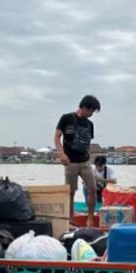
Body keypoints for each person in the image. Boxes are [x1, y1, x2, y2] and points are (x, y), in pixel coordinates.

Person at [55, 95, 101, 226]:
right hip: (70, 162)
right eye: (91, 111)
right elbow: (57, 137)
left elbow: (87, 144)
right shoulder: (66, 118)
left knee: (93, 188)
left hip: (85, 162)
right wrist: (61, 154)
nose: (91, 114)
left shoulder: (89, 124)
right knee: (71, 192)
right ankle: (70, 220)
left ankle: (90, 219)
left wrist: (88, 155)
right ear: (84, 107)